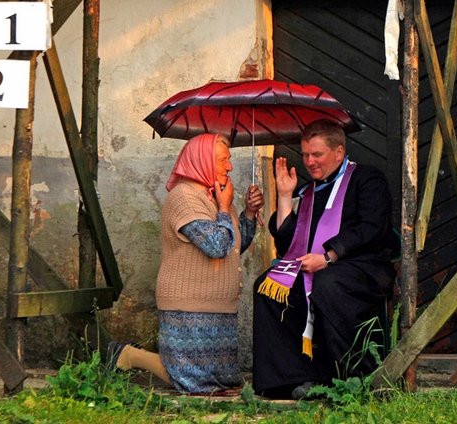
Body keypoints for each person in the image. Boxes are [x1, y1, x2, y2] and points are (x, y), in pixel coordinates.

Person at [107, 133, 264, 394]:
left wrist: (247, 212)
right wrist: (225, 209)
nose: (230, 167)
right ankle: (130, 355)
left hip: (219, 306)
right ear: (201, 161)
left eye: (229, 159)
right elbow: (216, 245)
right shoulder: (184, 198)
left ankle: (131, 355)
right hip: (188, 304)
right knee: (191, 381)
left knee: (222, 382)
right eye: (222, 160)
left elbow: (234, 246)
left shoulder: (216, 196)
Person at [252, 119, 399, 400]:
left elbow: (372, 227)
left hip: (362, 267)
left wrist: (329, 257)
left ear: (339, 152)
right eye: (305, 154)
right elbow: (286, 244)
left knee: (328, 284)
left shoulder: (367, 179)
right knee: (267, 287)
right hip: (313, 267)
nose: (309, 161)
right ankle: (292, 379)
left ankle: (349, 376)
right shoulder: (307, 191)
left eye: (316, 154)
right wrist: (284, 196)